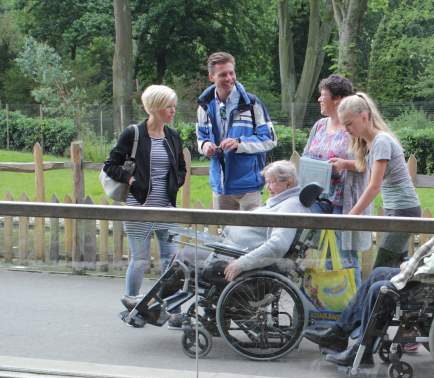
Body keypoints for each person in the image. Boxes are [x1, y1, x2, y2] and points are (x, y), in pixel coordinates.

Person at [303, 171, 434, 367]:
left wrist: (412, 267)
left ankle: (362, 351)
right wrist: (412, 265)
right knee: (378, 274)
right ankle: (339, 333)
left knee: (381, 288)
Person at [120, 161, 311, 319]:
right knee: (182, 255)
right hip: (231, 251)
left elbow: (277, 246)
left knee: (183, 260)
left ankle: (150, 305)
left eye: (272, 183)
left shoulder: (288, 208)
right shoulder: (284, 201)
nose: (267, 187)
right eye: (267, 182)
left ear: (288, 183)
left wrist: (241, 264)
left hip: (240, 261)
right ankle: (151, 304)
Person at [103, 84, 186, 304]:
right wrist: (131, 180)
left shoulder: (173, 135)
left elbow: (180, 167)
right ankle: (131, 301)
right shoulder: (133, 133)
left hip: (167, 209)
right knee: (140, 259)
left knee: (171, 260)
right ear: (156, 107)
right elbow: (110, 165)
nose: (173, 110)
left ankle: (171, 307)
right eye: (169, 106)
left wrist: (176, 182)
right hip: (139, 207)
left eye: (174, 106)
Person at [336, 92, 421, 268]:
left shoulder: (381, 141)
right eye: (344, 125)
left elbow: (374, 186)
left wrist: (352, 215)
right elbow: (365, 166)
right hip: (395, 210)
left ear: (365, 117)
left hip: (404, 211)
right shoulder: (369, 143)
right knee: (396, 267)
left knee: (381, 267)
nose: (346, 129)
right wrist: (345, 164)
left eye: (349, 124)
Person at [303, 75, 369, 284]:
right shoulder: (319, 126)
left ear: (338, 99)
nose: (319, 100)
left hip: (345, 203)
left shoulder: (354, 128)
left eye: (323, 96)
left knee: (345, 256)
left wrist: (344, 164)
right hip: (318, 200)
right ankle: (324, 308)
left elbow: (369, 164)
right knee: (318, 256)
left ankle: (352, 309)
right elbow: (306, 156)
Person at [196, 51, 277, 211]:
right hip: (220, 185)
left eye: (231, 73)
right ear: (211, 77)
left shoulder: (252, 103)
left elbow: (270, 139)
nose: (229, 78)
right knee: (224, 235)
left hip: (249, 186)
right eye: (222, 75)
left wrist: (239, 144)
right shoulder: (204, 106)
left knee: (252, 234)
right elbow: (201, 138)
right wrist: (205, 146)